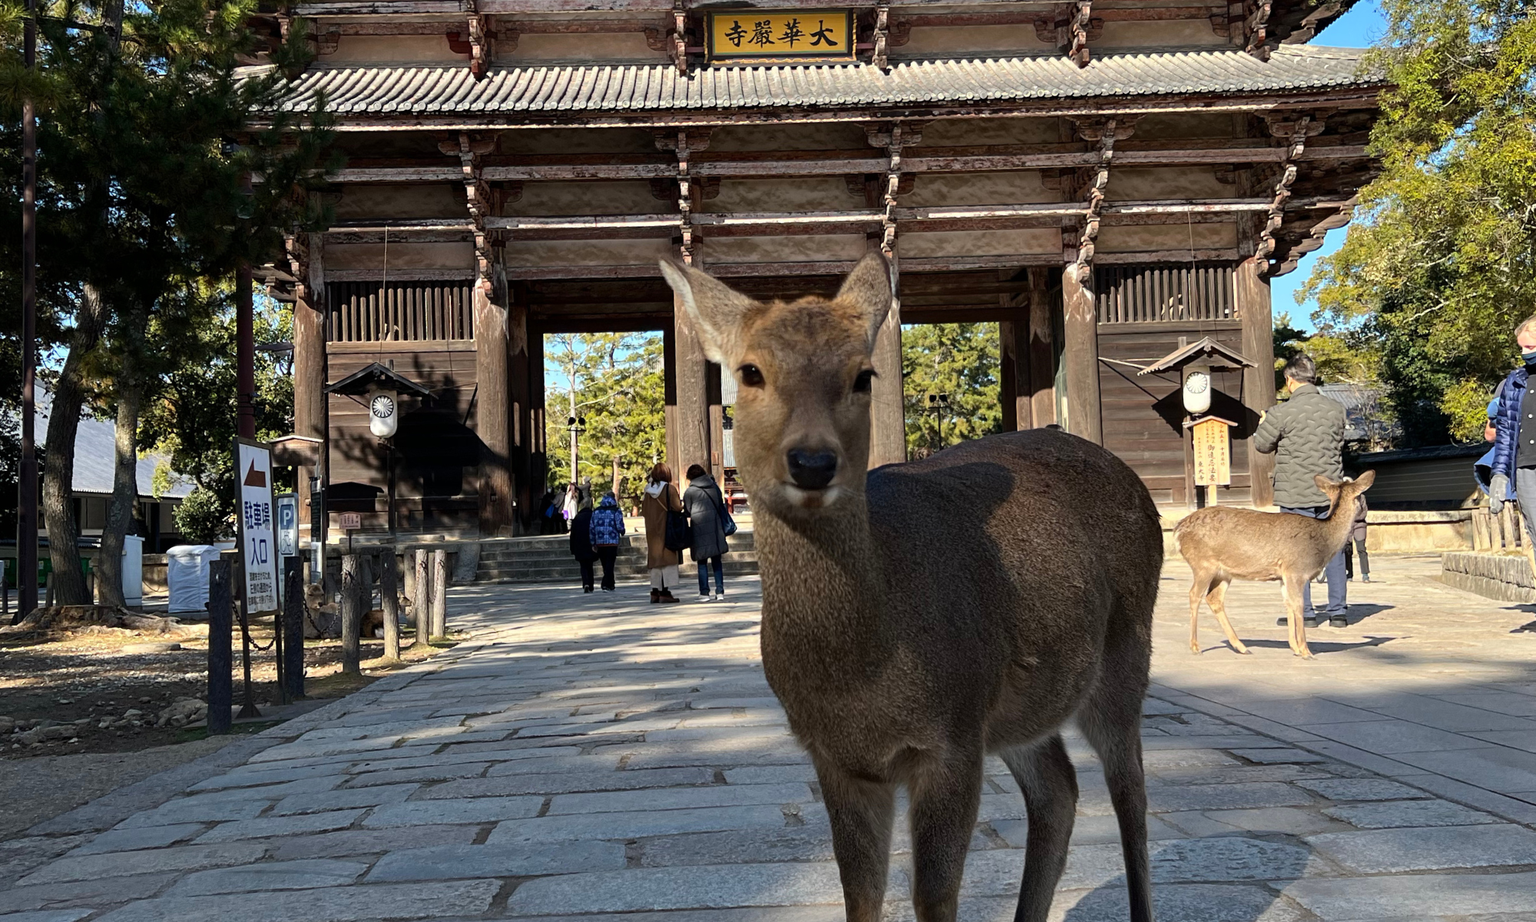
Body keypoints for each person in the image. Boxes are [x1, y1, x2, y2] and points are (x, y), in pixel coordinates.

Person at [1254, 353, 1350, 628]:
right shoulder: (1336, 409)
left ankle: (1304, 613)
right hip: (1330, 491)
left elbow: (1262, 445)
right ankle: (1338, 611)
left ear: (1290, 381)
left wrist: (1263, 424)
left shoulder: (1280, 413)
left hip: (1295, 493)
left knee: (1296, 554)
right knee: (1332, 549)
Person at [1486, 315, 1536, 568]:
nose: (1525, 353)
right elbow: (1503, 433)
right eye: (1522, 348)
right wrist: (1499, 474)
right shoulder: (1514, 382)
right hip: (1525, 466)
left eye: (1531, 347)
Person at [682, 463, 731, 601]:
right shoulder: (714, 487)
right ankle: (720, 591)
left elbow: (687, 511)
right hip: (715, 526)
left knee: (701, 561)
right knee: (717, 560)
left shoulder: (690, 492)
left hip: (699, 527)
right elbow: (720, 503)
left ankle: (704, 592)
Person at [641, 463, 684, 603]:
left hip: (652, 530)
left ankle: (654, 591)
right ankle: (665, 591)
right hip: (666, 528)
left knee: (655, 561)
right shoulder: (669, 489)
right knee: (667, 560)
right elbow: (677, 507)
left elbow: (644, 511)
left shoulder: (647, 491)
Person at [588, 491, 625, 591]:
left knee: (605, 563)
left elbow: (591, 527)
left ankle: (610, 584)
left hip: (600, 541)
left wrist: (593, 542)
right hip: (612, 540)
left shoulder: (596, 511)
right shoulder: (616, 511)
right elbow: (619, 524)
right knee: (610, 563)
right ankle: (606, 583)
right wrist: (622, 531)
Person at [568, 492, 598, 593]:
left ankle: (585, 582)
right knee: (590, 565)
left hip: (579, 544)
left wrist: (572, 547)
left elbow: (573, 534)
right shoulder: (593, 516)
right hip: (590, 543)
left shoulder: (577, 518)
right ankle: (591, 584)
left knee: (583, 566)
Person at [1345, 491, 1370, 583]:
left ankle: (1365, 574)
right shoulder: (1343, 498)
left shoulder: (1361, 497)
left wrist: (1355, 518)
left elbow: (1364, 512)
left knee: (1361, 548)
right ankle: (1349, 574)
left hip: (1359, 524)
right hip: (1347, 525)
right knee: (1347, 550)